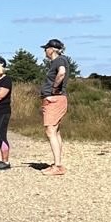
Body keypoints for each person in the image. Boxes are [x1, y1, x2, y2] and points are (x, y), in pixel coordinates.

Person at [40, 38, 72, 175]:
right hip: (55, 99)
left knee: (50, 130)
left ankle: (57, 166)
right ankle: (57, 163)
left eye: (46, 48)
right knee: (55, 131)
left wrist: (54, 88)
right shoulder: (57, 61)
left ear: (51, 49)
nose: (44, 51)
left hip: (55, 99)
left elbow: (62, 72)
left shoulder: (59, 60)